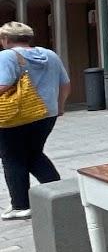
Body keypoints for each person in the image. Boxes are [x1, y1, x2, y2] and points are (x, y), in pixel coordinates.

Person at [0, 21, 71, 220]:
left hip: (15, 116)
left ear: (6, 39)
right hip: (46, 115)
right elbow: (65, 84)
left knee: (12, 157)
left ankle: (21, 205)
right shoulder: (50, 55)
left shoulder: (7, 56)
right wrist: (60, 106)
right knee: (33, 154)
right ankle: (58, 192)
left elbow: (3, 85)